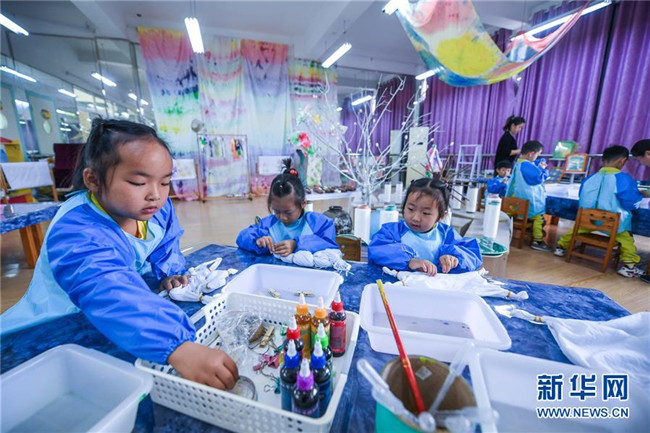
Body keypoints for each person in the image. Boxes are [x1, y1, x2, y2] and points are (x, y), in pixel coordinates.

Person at [0, 119, 238, 390]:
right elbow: (108, 288)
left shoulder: (154, 211)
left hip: (120, 321)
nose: (156, 195)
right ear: (93, 180)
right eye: (138, 182)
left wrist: (170, 272)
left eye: (165, 182)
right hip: (51, 328)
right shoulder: (77, 231)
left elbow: (166, 242)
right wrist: (176, 345)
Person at [554, 146, 644, 278]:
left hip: (588, 219)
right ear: (622, 161)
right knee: (626, 238)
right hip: (613, 223)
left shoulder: (589, 178)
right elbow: (631, 203)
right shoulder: (624, 179)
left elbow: (581, 196)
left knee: (576, 230)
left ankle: (560, 247)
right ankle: (629, 266)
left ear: (602, 160)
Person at [368, 177, 482, 275]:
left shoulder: (447, 235)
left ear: (441, 216)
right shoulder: (392, 232)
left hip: (433, 289)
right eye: (411, 209)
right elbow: (377, 249)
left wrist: (454, 259)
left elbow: (472, 255)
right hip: (397, 287)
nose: (416, 218)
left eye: (426, 213)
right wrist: (409, 261)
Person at [236, 159, 337, 256]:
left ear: (303, 203)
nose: (282, 217)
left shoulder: (319, 223)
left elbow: (329, 244)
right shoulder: (268, 224)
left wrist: (296, 244)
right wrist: (257, 241)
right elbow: (241, 238)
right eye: (277, 211)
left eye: (288, 212)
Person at [505, 140, 551, 251]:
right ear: (531, 154)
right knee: (539, 218)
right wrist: (543, 169)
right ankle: (537, 241)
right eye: (537, 154)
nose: (537, 157)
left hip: (516, 203)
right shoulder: (526, 165)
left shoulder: (519, 163)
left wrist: (538, 163)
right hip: (528, 205)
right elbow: (538, 178)